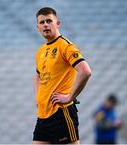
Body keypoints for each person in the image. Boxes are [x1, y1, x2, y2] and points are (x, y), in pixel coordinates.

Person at [33, 7, 91, 144]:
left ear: (57, 23)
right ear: (37, 27)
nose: (45, 25)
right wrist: (38, 98)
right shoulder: (40, 51)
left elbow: (85, 71)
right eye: (42, 22)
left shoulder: (65, 46)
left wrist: (70, 97)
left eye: (49, 21)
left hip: (61, 113)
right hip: (43, 115)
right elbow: (37, 76)